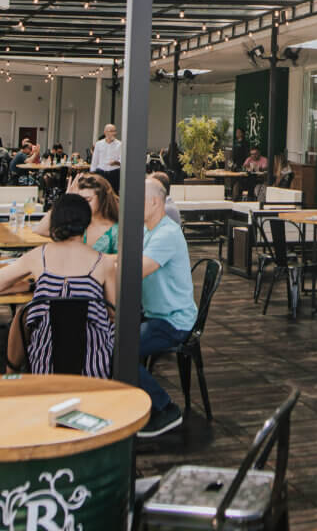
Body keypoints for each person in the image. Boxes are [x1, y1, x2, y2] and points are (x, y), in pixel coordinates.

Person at [0, 193, 117, 378]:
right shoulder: (103, 263)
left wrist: (31, 286)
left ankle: (11, 373)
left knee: (24, 313)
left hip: (45, 363)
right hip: (94, 366)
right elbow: (113, 312)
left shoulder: (39, 256)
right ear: (87, 223)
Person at [129, 177, 197, 437]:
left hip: (174, 321)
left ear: (155, 202)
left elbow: (136, 269)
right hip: (155, 316)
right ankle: (135, 404)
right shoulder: (148, 230)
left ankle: (165, 409)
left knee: (117, 350)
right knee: (107, 340)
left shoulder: (166, 233)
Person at [34, 172, 119, 253]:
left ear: (102, 199)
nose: (82, 204)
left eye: (88, 200)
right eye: (79, 200)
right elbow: (40, 230)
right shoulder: (77, 224)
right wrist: (64, 200)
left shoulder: (115, 232)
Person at [91, 124, 122, 194]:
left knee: (113, 193)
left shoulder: (120, 144)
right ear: (105, 132)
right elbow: (95, 160)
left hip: (114, 173)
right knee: (100, 193)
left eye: (115, 131)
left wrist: (116, 162)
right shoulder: (98, 144)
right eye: (111, 131)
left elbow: (122, 160)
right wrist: (92, 173)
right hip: (101, 173)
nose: (114, 133)